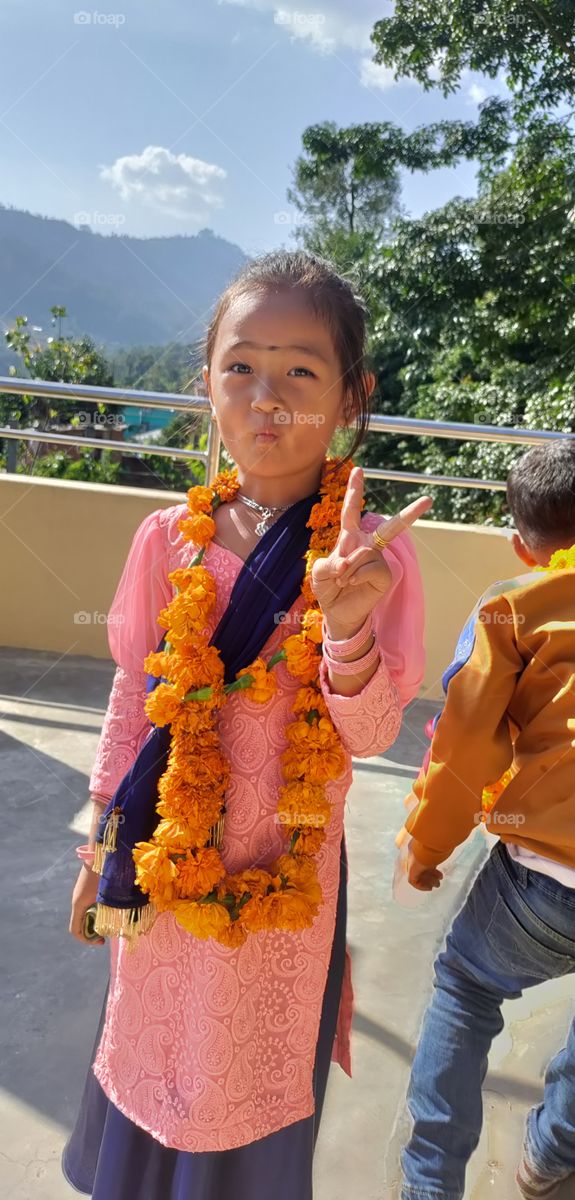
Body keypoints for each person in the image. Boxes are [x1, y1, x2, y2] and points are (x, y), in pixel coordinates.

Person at [63, 250, 430, 1200]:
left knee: (246, 1077)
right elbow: (133, 699)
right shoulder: (168, 539)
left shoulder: (370, 560)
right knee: (151, 1049)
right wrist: (102, 842)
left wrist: (346, 629)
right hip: (166, 862)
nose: (267, 397)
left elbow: (371, 735)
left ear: (351, 396)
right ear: (206, 384)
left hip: (281, 884)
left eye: (300, 370)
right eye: (241, 366)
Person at [399, 438, 575, 1200]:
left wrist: (425, 844)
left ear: (519, 545)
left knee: (466, 990)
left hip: (544, 876)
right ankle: (551, 1154)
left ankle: (429, 1187)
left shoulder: (512, 607)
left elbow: (466, 747)